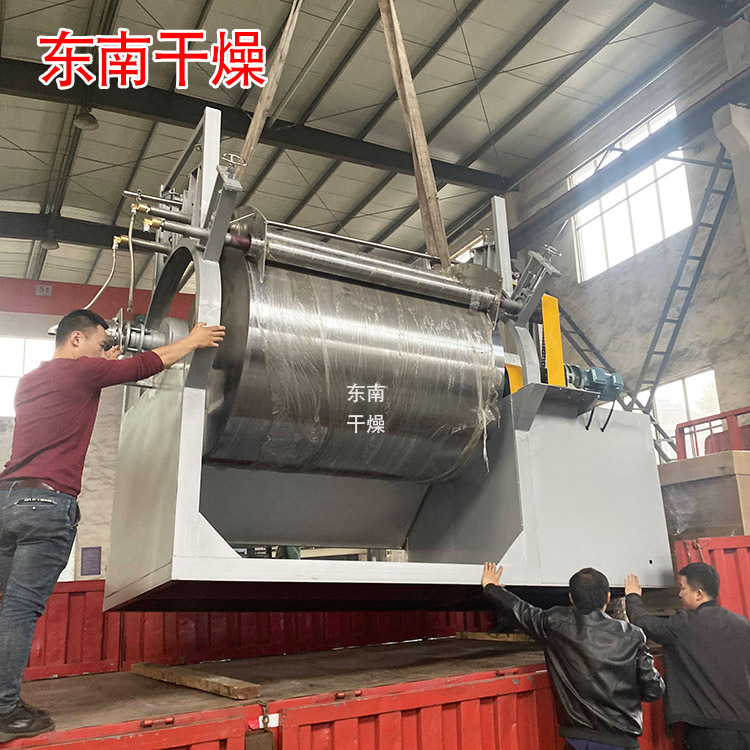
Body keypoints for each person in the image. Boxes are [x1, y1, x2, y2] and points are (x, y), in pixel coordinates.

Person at [0, 309, 225, 742]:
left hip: (7, 499)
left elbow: (85, 383)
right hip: (46, 504)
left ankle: (5, 699)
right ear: (76, 339)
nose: (104, 350)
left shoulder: (30, 380)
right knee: (20, 611)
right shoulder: (82, 372)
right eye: (101, 343)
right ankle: (4, 711)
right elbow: (144, 365)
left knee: (8, 606)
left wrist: (103, 361)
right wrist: (192, 341)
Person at [483, 562, 664, 749]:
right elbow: (654, 690)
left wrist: (491, 588)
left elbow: (521, 611)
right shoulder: (633, 636)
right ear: (608, 597)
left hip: (576, 740)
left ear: (571, 597)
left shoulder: (555, 623)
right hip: (621, 741)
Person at [625, 563, 750, 750]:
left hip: (710, 733)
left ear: (698, 593)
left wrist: (633, 597)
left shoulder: (685, 624)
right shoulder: (743, 625)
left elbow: (646, 624)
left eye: (683, 588)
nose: (680, 594)